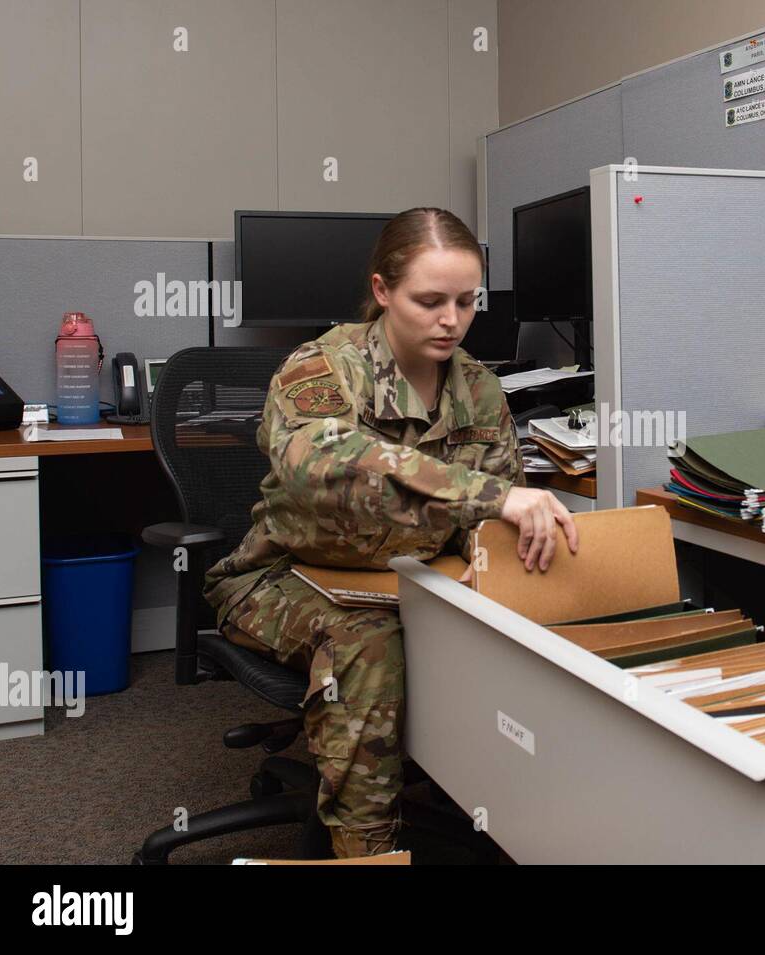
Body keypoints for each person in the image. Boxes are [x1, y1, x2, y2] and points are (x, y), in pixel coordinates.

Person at [203, 207, 579, 858]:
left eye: (466, 301)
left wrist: (488, 548)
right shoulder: (322, 368)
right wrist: (486, 496)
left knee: (516, 628)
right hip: (281, 576)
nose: (451, 320)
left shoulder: (478, 389)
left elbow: (490, 518)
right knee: (367, 643)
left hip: (415, 580)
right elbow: (324, 469)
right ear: (382, 291)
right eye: (429, 300)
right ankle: (368, 848)